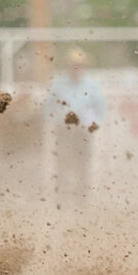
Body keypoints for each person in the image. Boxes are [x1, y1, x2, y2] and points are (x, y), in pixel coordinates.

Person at [45, 47, 105, 204]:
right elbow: (48, 105)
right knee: (62, 164)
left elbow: (100, 107)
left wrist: (94, 125)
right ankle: (61, 199)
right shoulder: (58, 84)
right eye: (73, 65)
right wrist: (53, 122)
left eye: (79, 65)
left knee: (83, 165)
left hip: (82, 131)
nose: (76, 68)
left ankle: (81, 199)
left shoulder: (92, 85)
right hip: (63, 129)